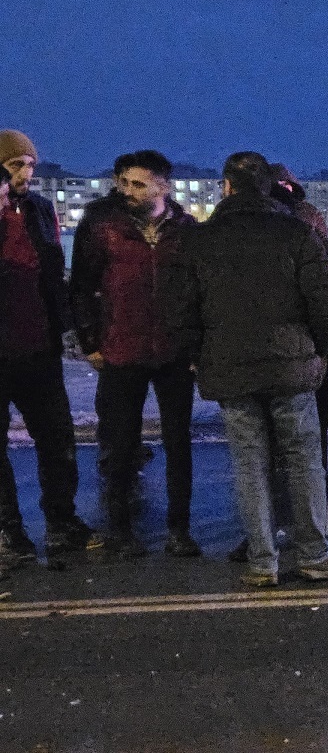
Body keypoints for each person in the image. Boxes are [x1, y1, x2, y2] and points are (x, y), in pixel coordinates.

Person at [166, 151, 328, 588]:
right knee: (303, 461)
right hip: (291, 364)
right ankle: (314, 554)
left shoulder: (198, 240)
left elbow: (178, 308)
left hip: (228, 365)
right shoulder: (296, 233)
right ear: (269, 188)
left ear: (226, 187)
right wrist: (317, 347)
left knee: (249, 463)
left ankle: (262, 560)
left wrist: (196, 352)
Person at [70, 150, 200, 559]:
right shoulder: (101, 224)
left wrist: (197, 345)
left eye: (138, 184)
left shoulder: (187, 230)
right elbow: (82, 286)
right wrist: (90, 342)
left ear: (164, 186)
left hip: (173, 350)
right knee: (119, 445)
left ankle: (179, 530)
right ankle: (121, 533)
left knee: (179, 443)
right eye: (122, 182)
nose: (126, 190)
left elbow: (199, 291)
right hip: (120, 348)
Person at [0, 129, 97, 575]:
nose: (26, 173)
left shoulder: (38, 209)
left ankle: (61, 520)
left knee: (57, 439)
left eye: (30, 165)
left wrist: (66, 325)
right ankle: (9, 532)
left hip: (37, 344)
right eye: (16, 165)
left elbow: (52, 268)